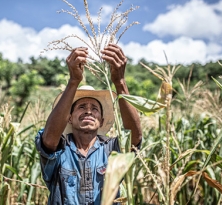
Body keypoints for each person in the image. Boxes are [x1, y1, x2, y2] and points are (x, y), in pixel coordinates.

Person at [35, 44, 142, 204]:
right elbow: (48, 140)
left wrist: (120, 82)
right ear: (69, 118)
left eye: (94, 109)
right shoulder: (60, 148)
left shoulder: (112, 149)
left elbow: (134, 139)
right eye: (81, 107)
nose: (89, 111)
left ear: (102, 122)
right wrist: (73, 81)